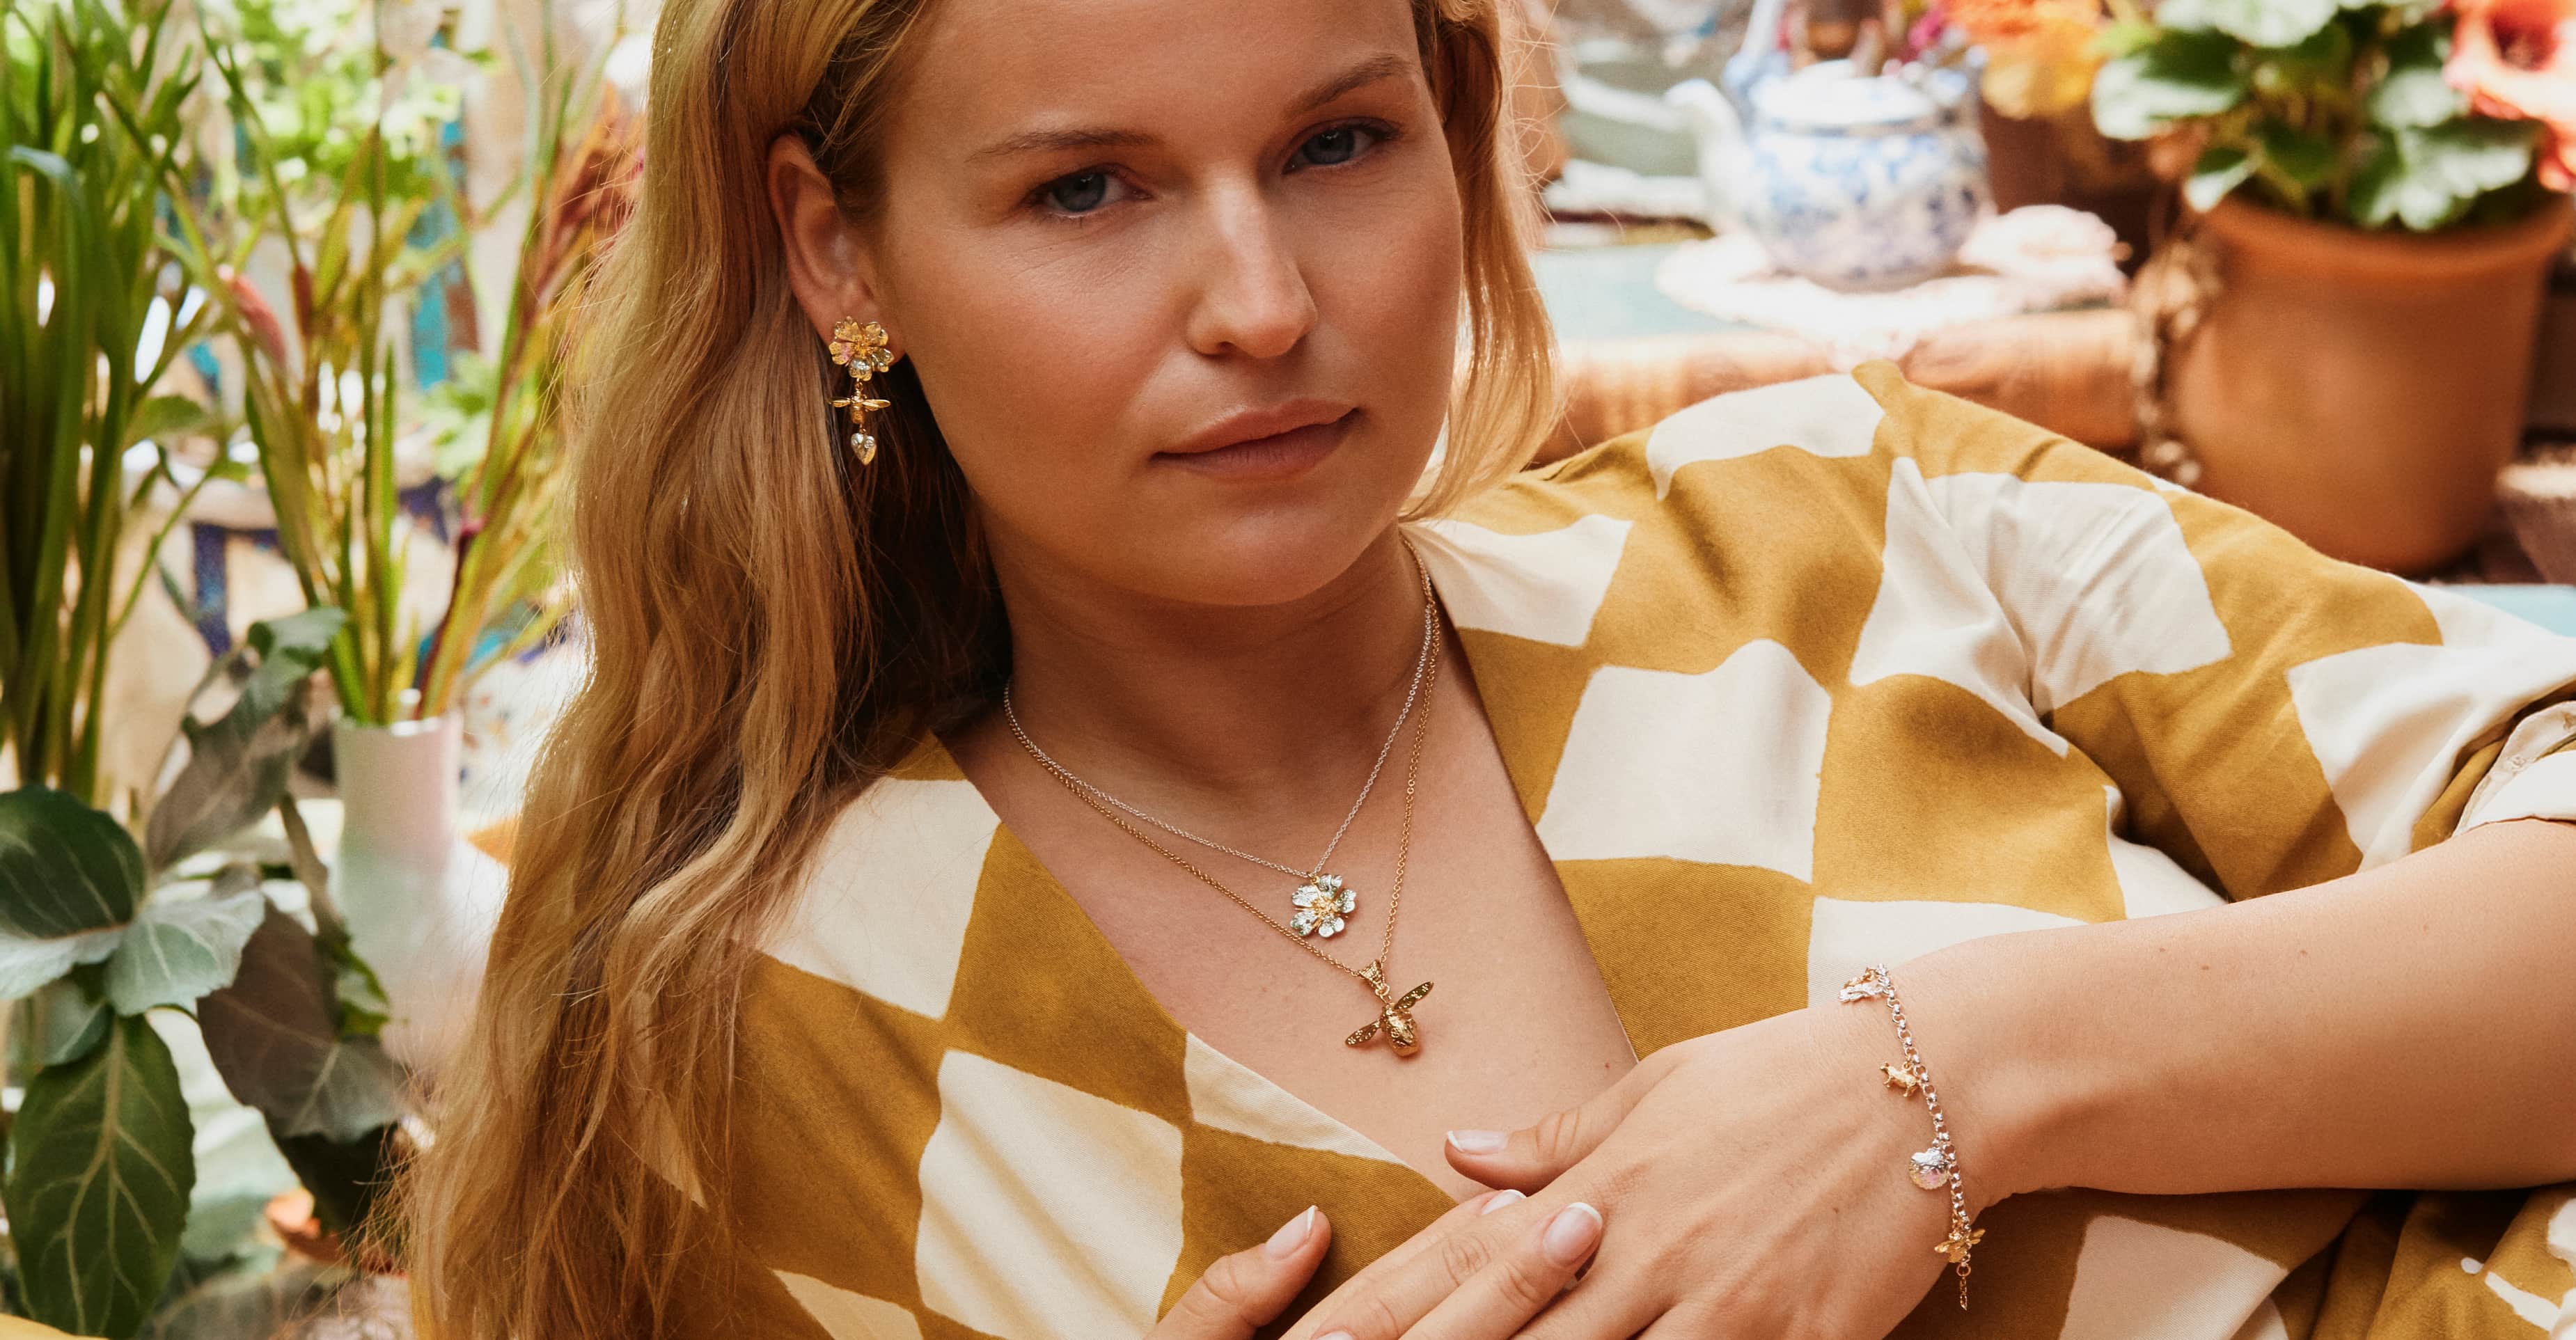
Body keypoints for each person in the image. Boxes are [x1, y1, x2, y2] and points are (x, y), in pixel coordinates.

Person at [400, 0, 2576, 1333]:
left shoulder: (1850, 502)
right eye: (1088, 192)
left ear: (1456, 122)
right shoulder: (753, 1019)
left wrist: (1941, 1085)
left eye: (1337, 142)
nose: (1259, 300)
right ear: (832, 244)